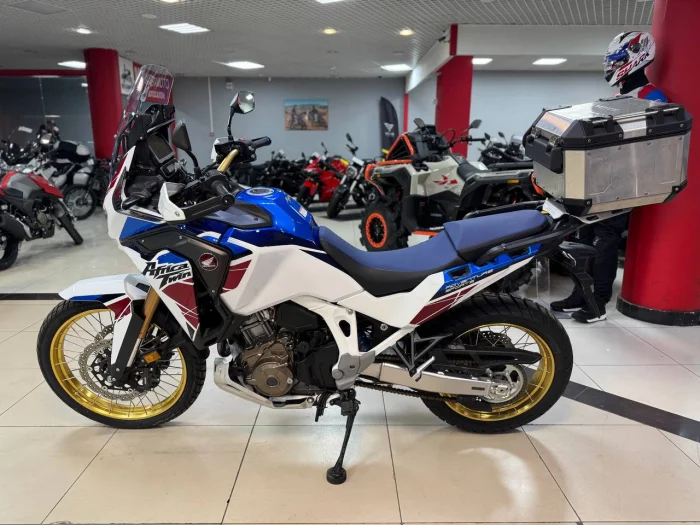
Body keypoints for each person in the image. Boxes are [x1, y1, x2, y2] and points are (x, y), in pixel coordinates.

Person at [551, 31, 667, 323]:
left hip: (625, 182)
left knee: (605, 241)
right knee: (584, 237)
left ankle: (597, 303)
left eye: (616, 61)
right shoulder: (616, 97)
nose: (611, 67)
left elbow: (654, 145)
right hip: (600, 180)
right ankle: (580, 294)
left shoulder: (652, 96)